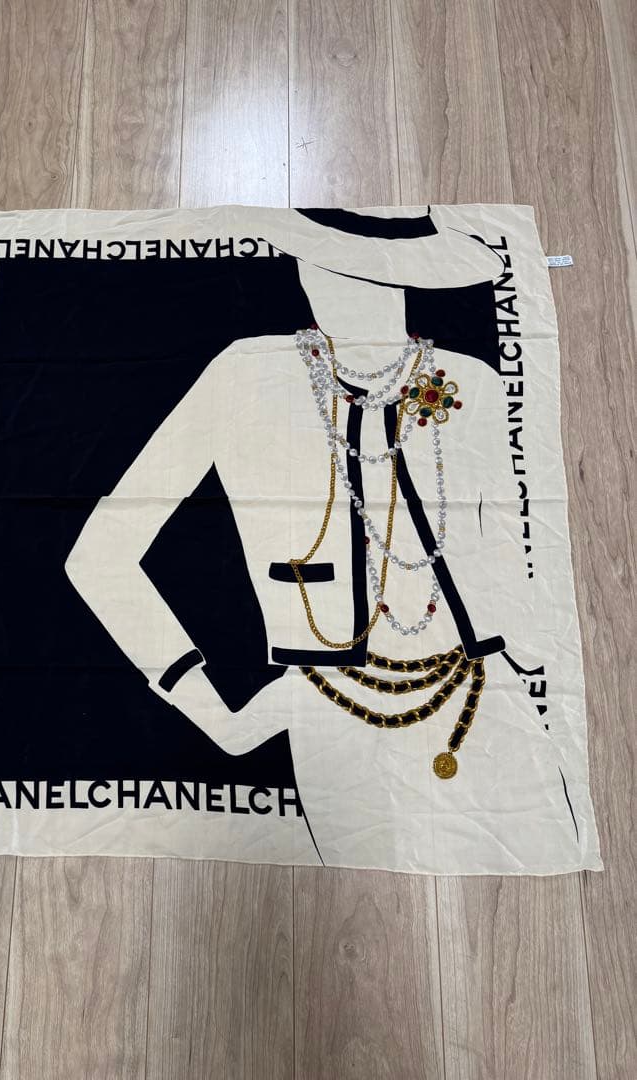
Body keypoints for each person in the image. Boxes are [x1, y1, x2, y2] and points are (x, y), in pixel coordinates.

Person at [65, 207, 581, 870]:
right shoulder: (248, 374)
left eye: (369, 271)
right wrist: (213, 708)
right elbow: (101, 555)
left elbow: (509, 549)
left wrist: (539, 667)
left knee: (543, 855)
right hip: (334, 715)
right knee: (378, 896)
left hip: (483, 699)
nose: (339, 285)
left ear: (409, 278)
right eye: (324, 262)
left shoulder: (469, 383)